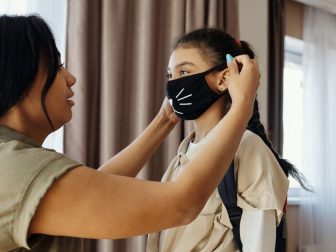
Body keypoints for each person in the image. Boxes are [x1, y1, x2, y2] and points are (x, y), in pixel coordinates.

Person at [0, 15, 260, 252]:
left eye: (184, 72)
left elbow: (97, 192)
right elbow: (181, 203)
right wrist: (242, 106)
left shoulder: (13, 160)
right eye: (57, 67)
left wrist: (163, 121)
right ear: (19, 76)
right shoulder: (14, 169)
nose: (70, 78)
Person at [146, 28, 309, 252]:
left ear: (223, 79)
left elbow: (259, 245)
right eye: (170, 75)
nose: (174, 85)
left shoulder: (248, 148)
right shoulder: (182, 155)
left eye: (183, 72)